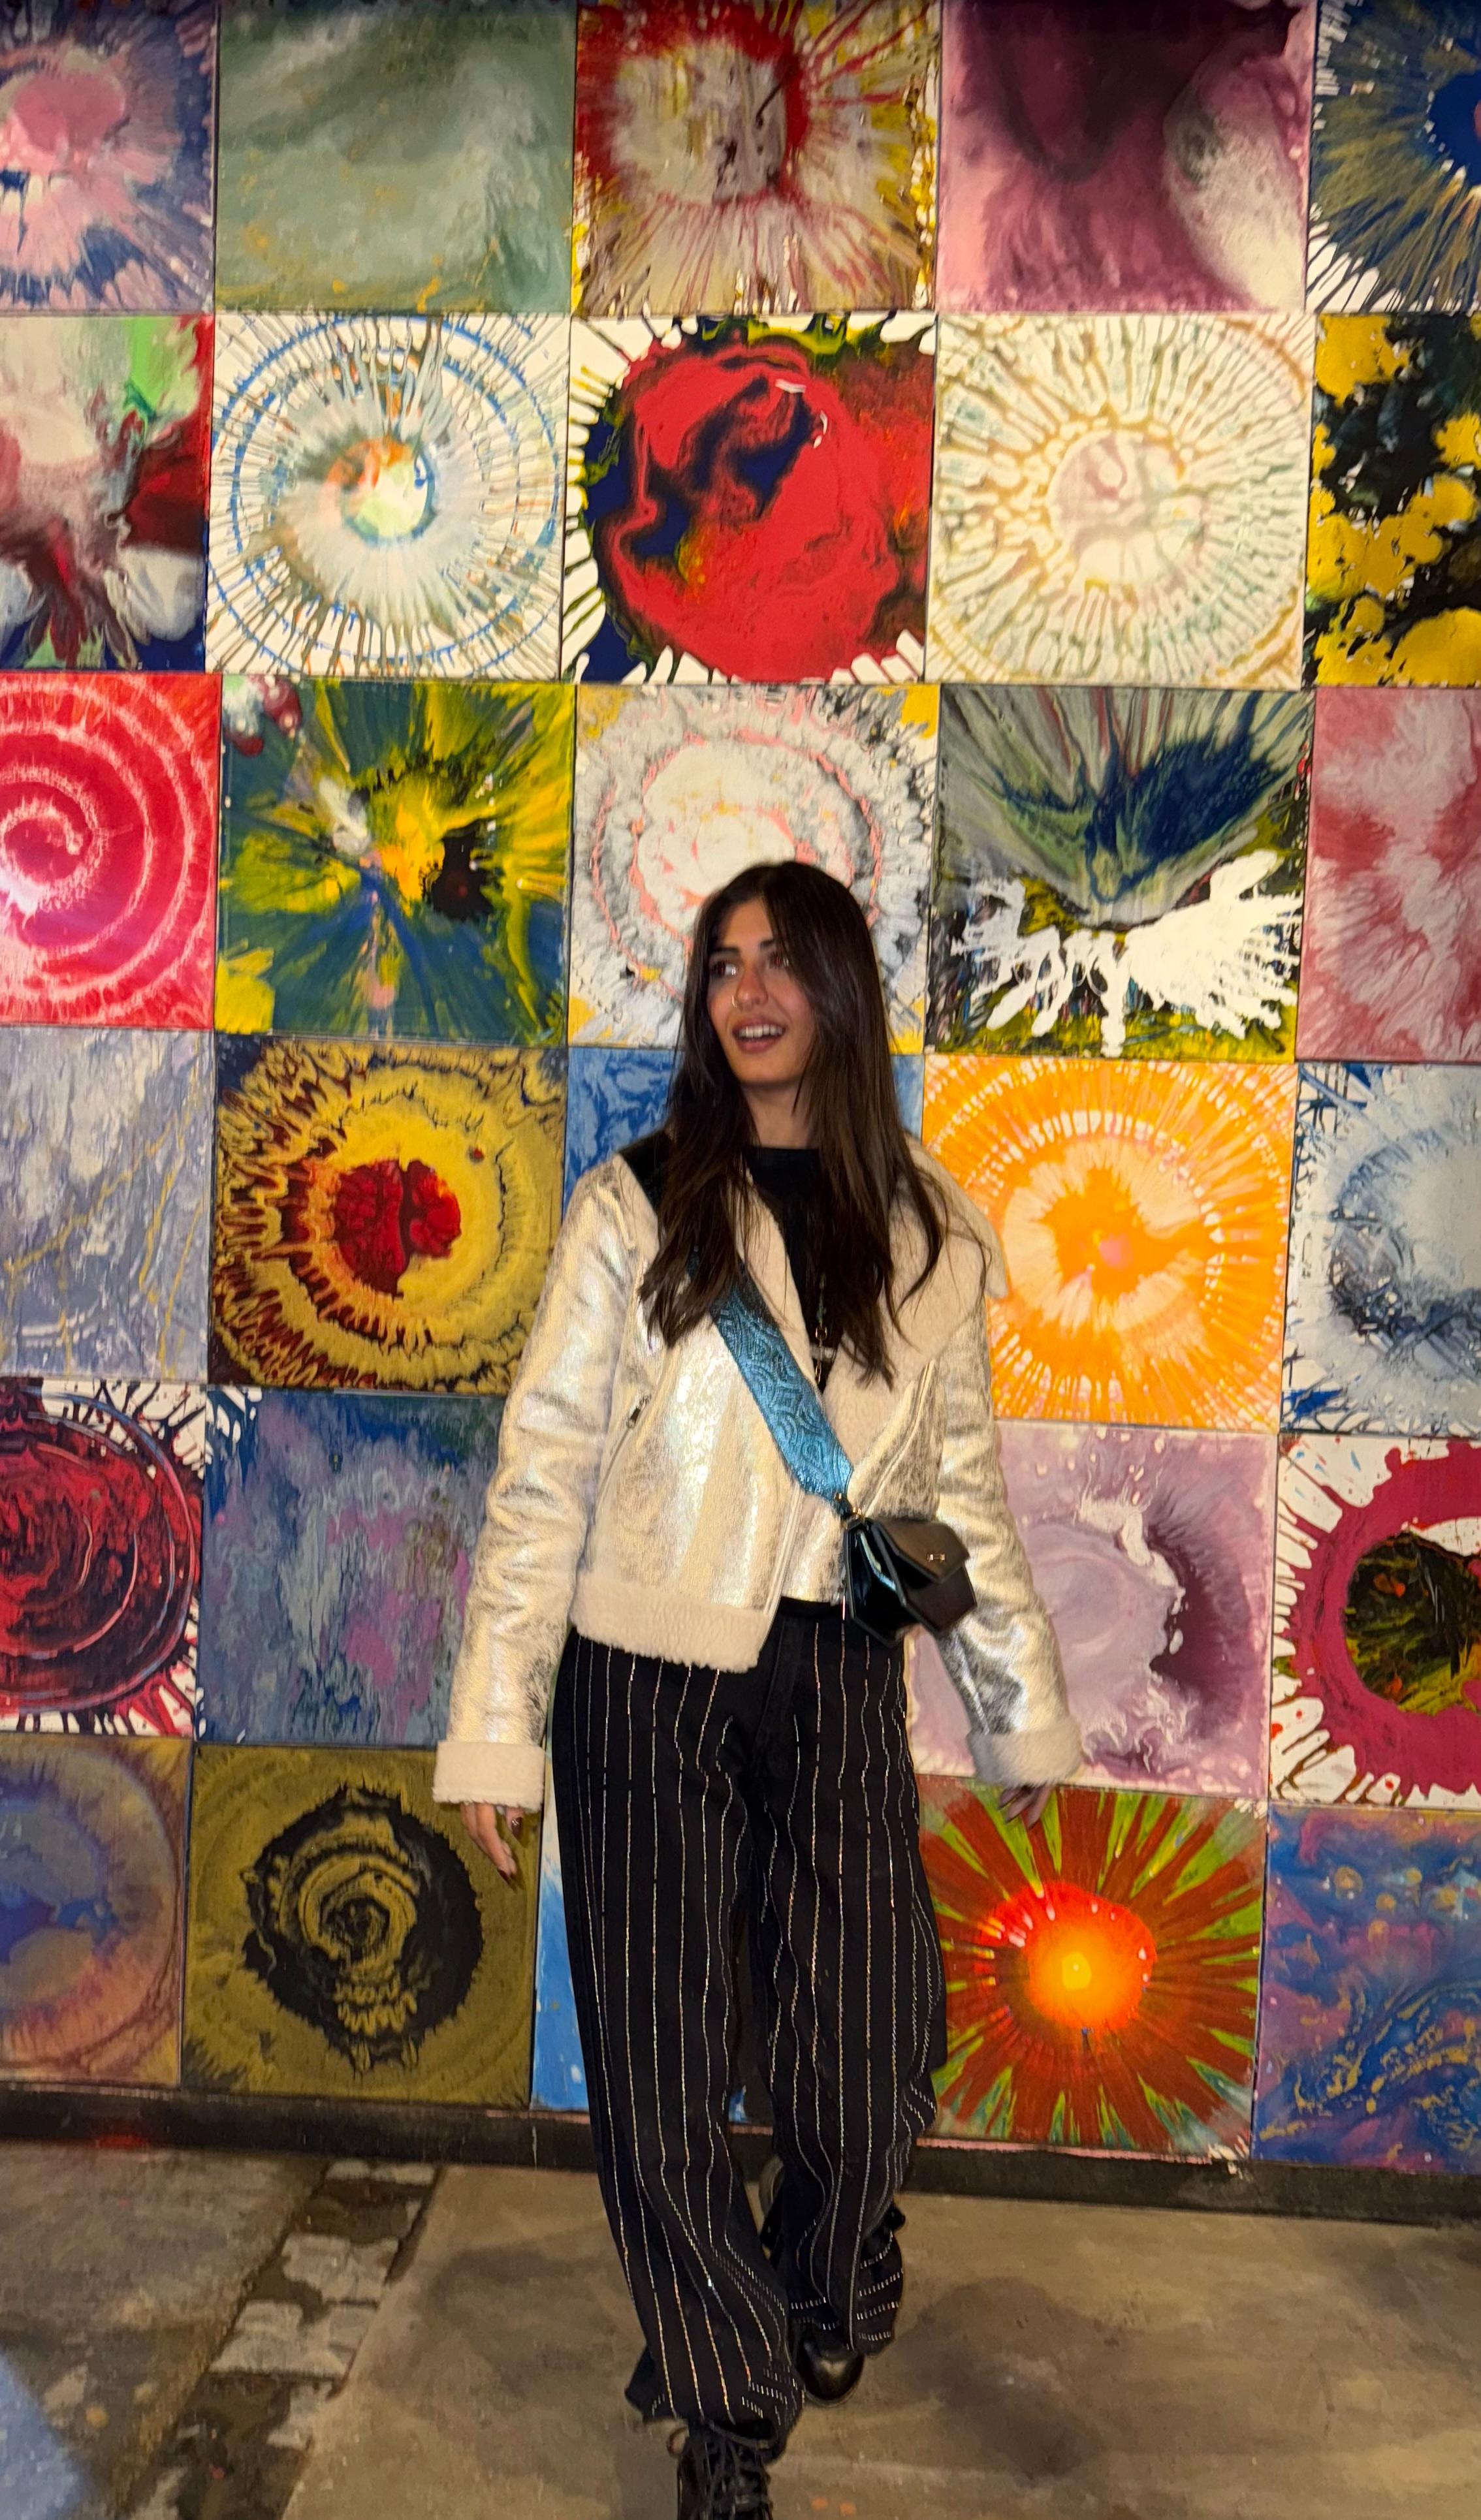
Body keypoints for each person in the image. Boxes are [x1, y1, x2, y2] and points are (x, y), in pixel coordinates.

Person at [434, 861, 1080, 2520]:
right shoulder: (636, 1207)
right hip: (643, 1678)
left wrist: (1015, 1699)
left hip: (842, 1675)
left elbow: (958, 1491)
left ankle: (830, 2267)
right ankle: (727, 2419)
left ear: (841, 990)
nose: (749, 992)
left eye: (782, 961)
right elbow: (542, 1478)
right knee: (660, 2078)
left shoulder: (933, 1233)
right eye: (723, 965)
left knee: (868, 2062)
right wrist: (497, 1730)